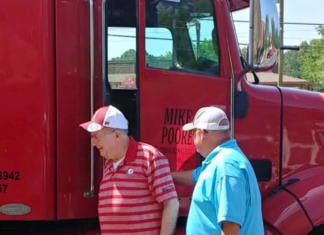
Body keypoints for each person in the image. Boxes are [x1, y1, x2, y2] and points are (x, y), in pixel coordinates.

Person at [80, 105, 179, 235]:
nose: (93, 143)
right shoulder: (108, 165)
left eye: (96, 137)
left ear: (116, 135)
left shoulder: (150, 156)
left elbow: (171, 203)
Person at [172, 106, 264, 235]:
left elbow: (230, 227)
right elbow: (195, 176)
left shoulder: (226, 167)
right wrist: (167, 176)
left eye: (192, 133)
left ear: (202, 133)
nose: (191, 138)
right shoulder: (223, 160)